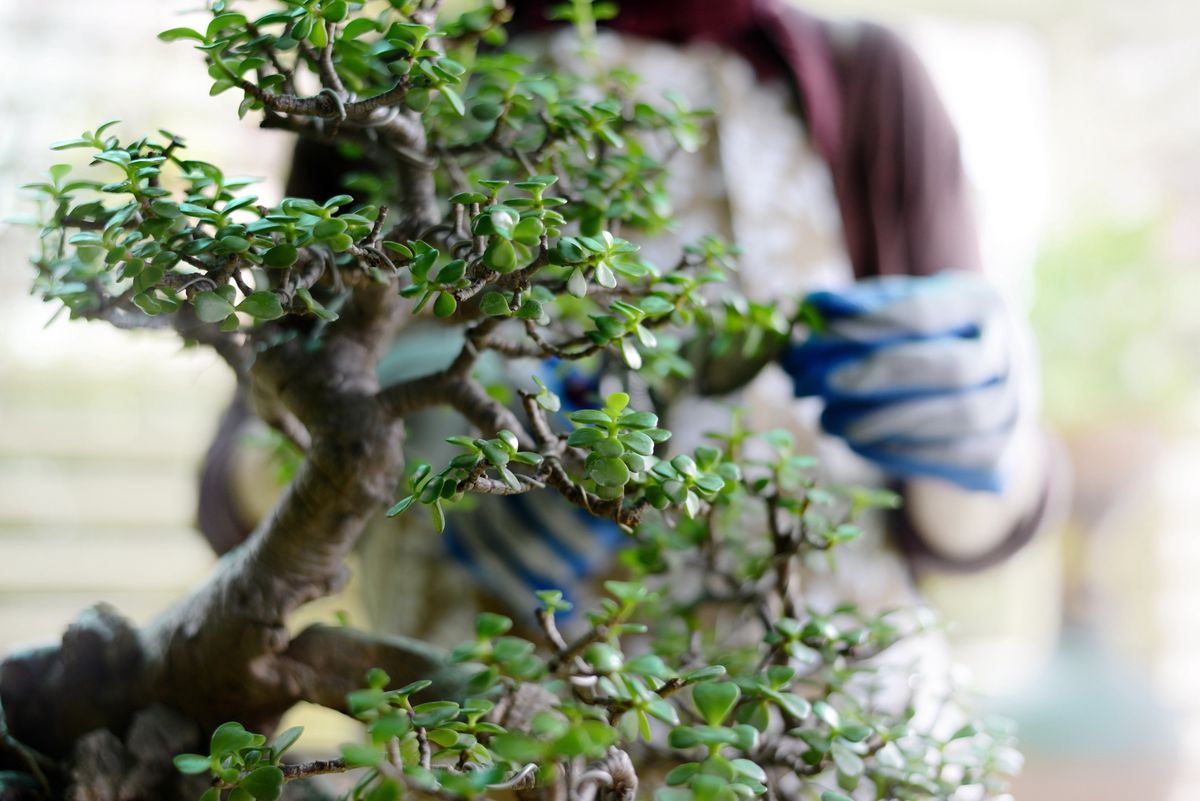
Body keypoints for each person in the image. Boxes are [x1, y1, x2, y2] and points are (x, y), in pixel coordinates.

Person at [201, 0, 1054, 647]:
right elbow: (238, 496)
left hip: (818, 726)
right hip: (478, 743)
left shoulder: (862, 81)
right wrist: (374, 425)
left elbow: (966, 531)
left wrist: (987, 440)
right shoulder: (379, 90)